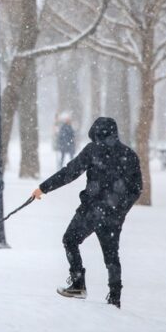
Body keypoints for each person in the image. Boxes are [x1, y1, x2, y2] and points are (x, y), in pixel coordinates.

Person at [31, 117, 142, 308]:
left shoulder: (92, 150)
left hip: (91, 210)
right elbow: (137, 189)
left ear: (96, 132)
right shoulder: (129, 155)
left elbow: (69, 173)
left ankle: (78, 283)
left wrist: (43, 188)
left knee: (70, 240)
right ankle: (115, 298)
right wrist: (120, 209)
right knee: (112, 256)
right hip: (113, 215)